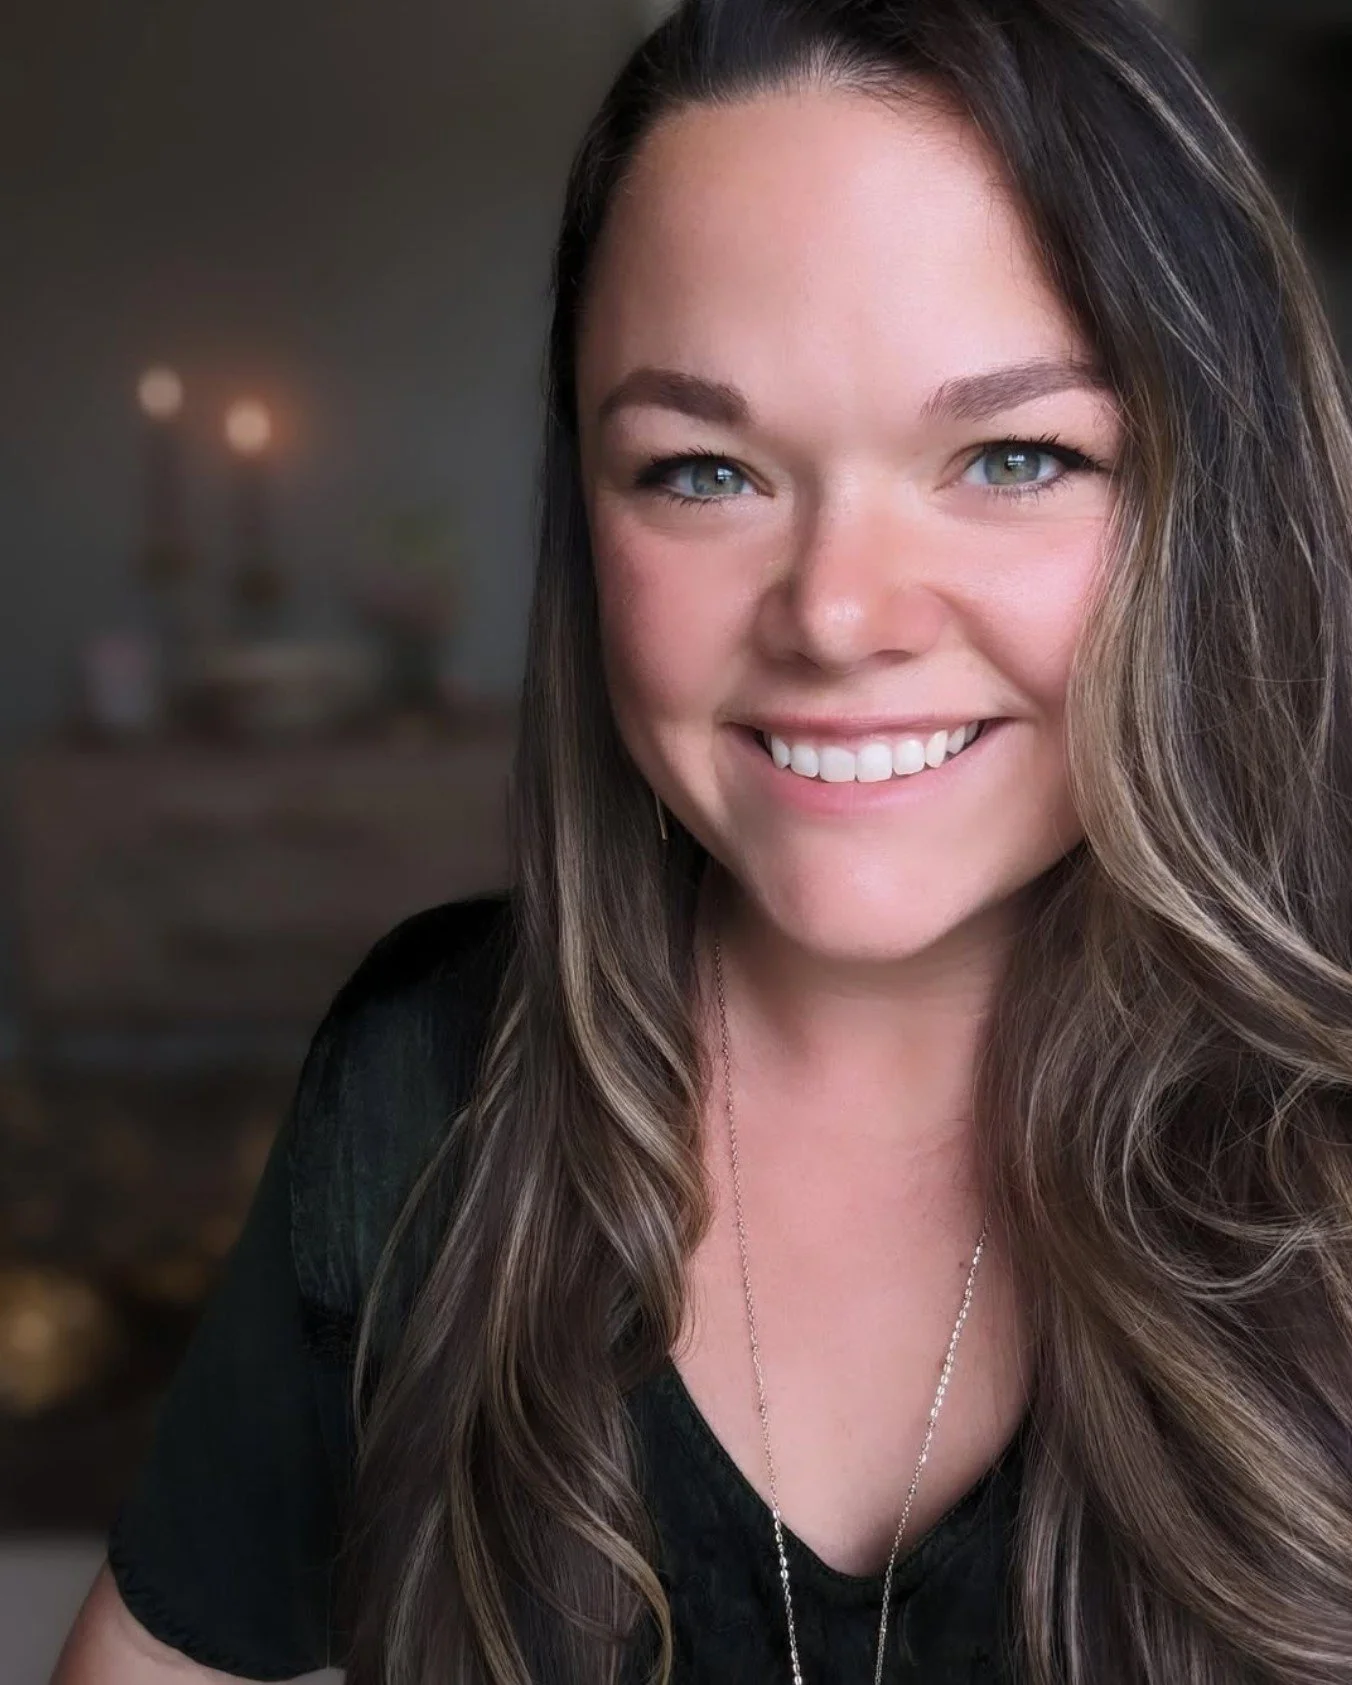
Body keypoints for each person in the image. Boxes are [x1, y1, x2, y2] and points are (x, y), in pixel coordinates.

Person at [53, 0, 1352, 1680]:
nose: (836, 615)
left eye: (1015, 455)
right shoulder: (426, 1081)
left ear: (1215, 504)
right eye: (704, 473)